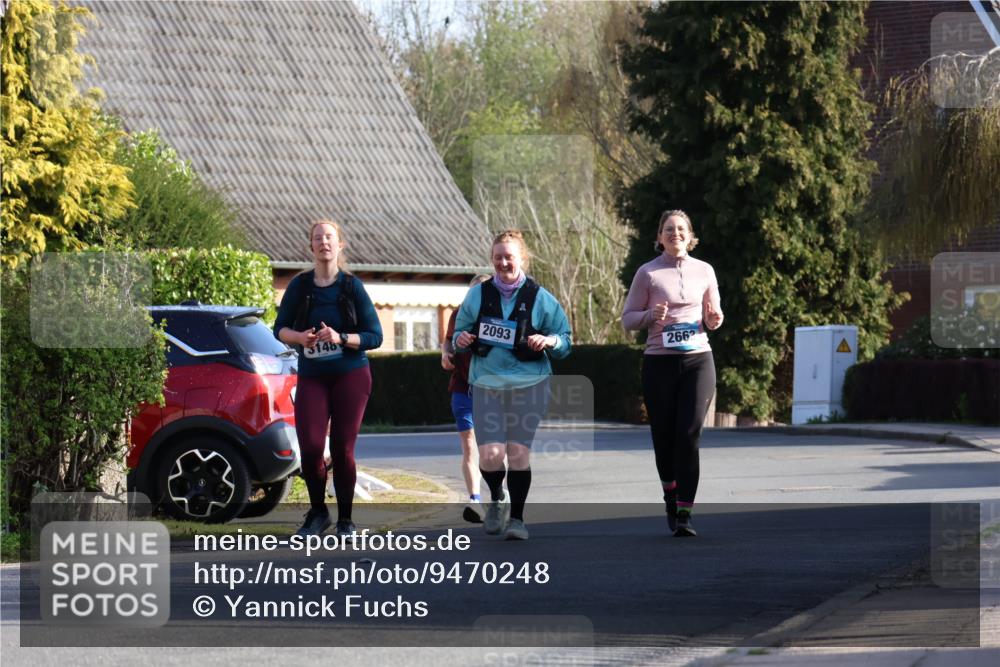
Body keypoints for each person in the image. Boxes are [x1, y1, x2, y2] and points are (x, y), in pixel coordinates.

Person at [453, 230, 572, 540]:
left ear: (522, 259)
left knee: (518, 453)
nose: (503, 262)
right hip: (487, 382)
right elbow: (459, 333)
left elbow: (565, 340)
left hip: (529, 383)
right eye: (498, 257)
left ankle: (517, 519)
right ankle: (497, 497)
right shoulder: (478, 295)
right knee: (491, 454)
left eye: (509, 257)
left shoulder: (540, 297)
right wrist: (461, 339)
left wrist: (549, 340)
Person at [273, 220, 383, 537]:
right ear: (311, 246)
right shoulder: (300, 286)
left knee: (342, 449)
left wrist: (340, 337)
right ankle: (318, 513)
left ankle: (346, 519)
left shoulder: (351, 287)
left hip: (351, 374)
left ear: (339, 245)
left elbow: (375, 335)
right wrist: (300, 337)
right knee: (309, 448)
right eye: (318, 238)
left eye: (329, 237)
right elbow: (278, 329)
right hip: (313, 376)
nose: (324, 242)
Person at [622, 210, 723, 537]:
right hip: (659, 361)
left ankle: (684, 513)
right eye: (668, 229)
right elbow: (628, 319)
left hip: (698, 359)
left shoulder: (705, 271)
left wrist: (714, 318)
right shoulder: (648, 273)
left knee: (688, 436)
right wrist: (651, 314)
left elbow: (714, 315)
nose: (675, 233)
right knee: (663, 438)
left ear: (690, 235)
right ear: (660, 236)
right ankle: (670, 494)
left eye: (681, 229)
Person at [442, 274, 492, 524]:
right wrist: (445, 354)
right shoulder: (458, 314)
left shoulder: (499, 318)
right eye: (473, 293)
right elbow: (448, 341)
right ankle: (474, 499)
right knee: (469, 444)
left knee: (492, 449)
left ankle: (498, 495)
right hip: (463, 388)